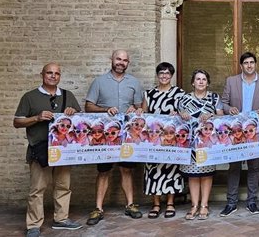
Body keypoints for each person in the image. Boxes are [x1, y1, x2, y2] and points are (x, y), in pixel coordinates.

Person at [14, 63, 83, 237]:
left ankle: (61, 219)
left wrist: (73, 112)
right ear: (42, 74)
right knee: (37, 189)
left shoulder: (68, 95)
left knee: (63, 186)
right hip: (40, 149)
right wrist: (36, 118)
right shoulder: (29, 97)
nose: (53, 76)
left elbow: (80, 121)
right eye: (49, 73)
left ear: (60, 76)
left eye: (57, 73)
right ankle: (33, 225)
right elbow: (17, 122)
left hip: (63, 149)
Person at [84, 49, 144, 226]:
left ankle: (130, 205)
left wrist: (137, 109)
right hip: (105, 136)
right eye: (118, 59)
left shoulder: (134, 82)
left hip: (127, 135)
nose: (121, 62)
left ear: (128, 63)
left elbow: (140, 108)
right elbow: (88, 106)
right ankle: (98, 208)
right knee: (103, 171)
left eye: (125, 60)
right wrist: (105, 109)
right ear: (112, 59)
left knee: (127, 170)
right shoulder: (99, 82)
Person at [220, 52, 259, 217]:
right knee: (234, 167)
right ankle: (231, 202)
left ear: (256, 64)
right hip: (235, 132)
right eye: (246, 63)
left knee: (254, 168)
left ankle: (251, 201)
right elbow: (224, 103)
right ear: (241, 65)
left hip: (255, 132)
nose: (249, 65)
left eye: (252, 62)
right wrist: (229, 109)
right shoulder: (231, 81)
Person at [177, 69, 223, 220]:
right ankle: (194, 205)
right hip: (189, 144)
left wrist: (211, 115)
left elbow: (221, 117)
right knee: (193, 175)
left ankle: (204, 205)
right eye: (198, 79)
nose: (201, 81)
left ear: (208, 82)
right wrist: (180, 114)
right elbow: (176, 117)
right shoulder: (184, 99)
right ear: (193, 82)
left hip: (207, 143)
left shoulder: (214, 98)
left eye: (204, 79)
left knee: (206, 174)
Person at [141, 62, 185, 219]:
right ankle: (156, 203)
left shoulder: (179, 94)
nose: (164, 76)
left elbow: (185, 115)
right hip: (153, 141)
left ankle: (170, 203)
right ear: (157, 75)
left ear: (171, 75)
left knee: (171, 170)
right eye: (161, 73)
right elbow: (144, 115)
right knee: (153, 169)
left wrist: (178, 113)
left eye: (167, 73)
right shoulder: (149, 94)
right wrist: (139, 111)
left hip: (171, 141)